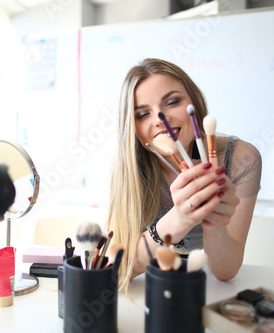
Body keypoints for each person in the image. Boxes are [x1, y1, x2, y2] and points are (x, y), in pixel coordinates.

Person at [105, 58, 262, 293]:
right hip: (155, 287)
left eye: (171, 102)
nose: (160, 120)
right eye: (142, 114)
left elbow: (225, 271)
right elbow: (117, 269)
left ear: (194, 103)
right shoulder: (130, 167)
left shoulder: (240, 158)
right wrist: (180, 218)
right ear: (134, 129)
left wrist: (214, 223)